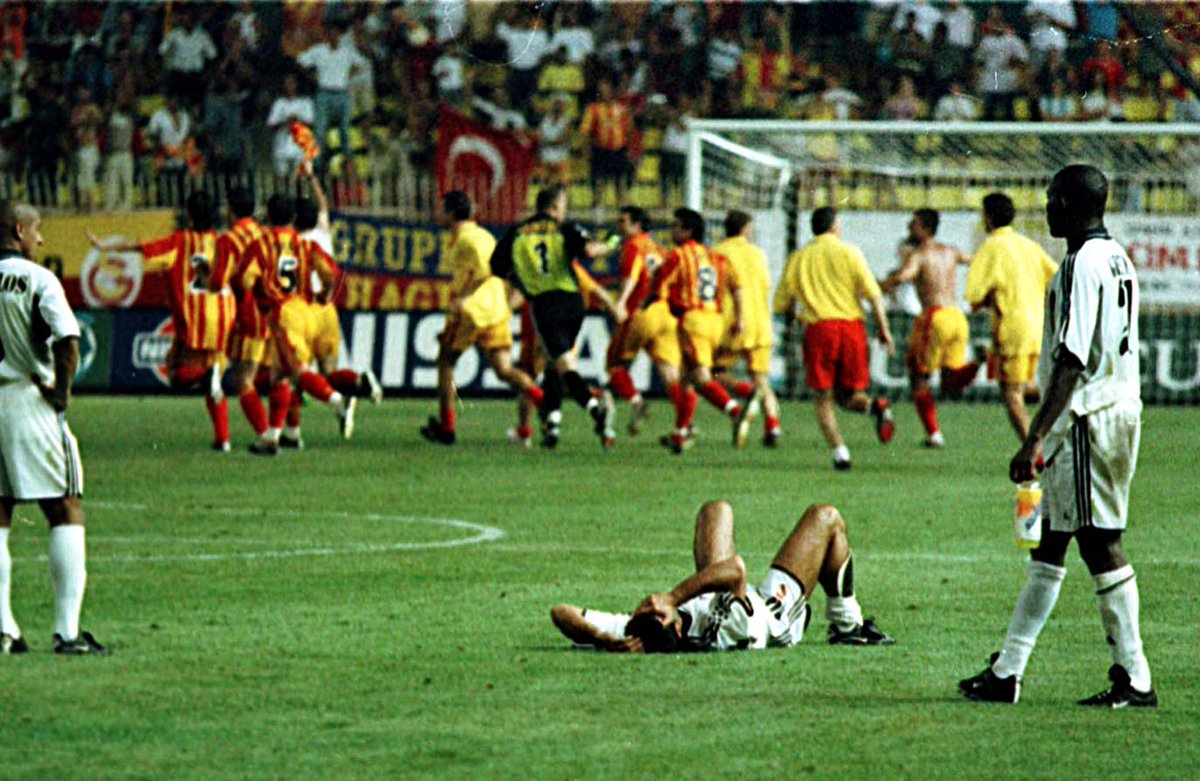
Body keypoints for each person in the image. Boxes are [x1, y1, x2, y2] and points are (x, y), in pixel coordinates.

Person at [960, 164, 1155, 708]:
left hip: (1091, 419)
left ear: (1068, 204)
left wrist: (1034, 438)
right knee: (1050, 542)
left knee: (1099, 541)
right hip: (1109, 412)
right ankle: (1008, 670)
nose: (1045, 206)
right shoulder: (1117, 258)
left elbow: (1071, 361)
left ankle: (1134, 675)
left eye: (1050, 197)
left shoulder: (1079, 264)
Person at [550, 500, 895, 653]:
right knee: (826, 517)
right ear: (679, 626)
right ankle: (847, 625)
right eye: (658, 611)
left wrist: (601, 638)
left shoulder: (637, 634)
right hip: (771, 615)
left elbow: (560, 613)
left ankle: (847, 624)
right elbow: (736, 570)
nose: (649, 605)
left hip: (725, 592)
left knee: (717, 510)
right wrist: (673, 598)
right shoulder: (728, 628)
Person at [0, 200, 108, 655]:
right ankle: (66, 632)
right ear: (20, 229)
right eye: (38, 230)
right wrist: (62, 392)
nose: (40, 239)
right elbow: (68, 339)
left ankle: (5, 630)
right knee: (65, 507)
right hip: (29, 401)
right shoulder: (38, 279)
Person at [86, 191, 236, 451]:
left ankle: (208, 378)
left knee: (178, 375)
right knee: (212, 385)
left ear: (189, 215)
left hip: (195, 318)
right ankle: (223, 439)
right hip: (223, 317)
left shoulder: (180, 242)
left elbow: (142, 248)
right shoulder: (224, 242)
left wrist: (105, 247)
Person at [489, 185, 616, 449]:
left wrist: (522, 283)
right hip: (573, 302)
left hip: (544, 305)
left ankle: (595, 409)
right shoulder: (564, 228)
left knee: (562, 366)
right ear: (556, 207)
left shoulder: (517, 233)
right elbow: (590, 252)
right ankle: (552, 426)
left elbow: (496, 265)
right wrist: (613, 243)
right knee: (554, 365)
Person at [773, 207, 895, 471]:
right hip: (852, 329)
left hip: (819, 330)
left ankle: (841, 452)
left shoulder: (799, 257)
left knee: (824, 398)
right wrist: (884, 329)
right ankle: (875, 406)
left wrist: (800, 314)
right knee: (849, 395)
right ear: (834, 226)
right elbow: (873, 294)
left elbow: (781, 303)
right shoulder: (849, 252)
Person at [420, 191, 544, 445]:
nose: (438, 212)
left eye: (442, 208)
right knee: (504, 370)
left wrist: (464, 297)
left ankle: (447, 427)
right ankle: (545, 402)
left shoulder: (469, 240)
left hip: (473, 313)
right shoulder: (481, 235)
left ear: (452, 212)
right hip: (495, 310)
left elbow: (486, 270)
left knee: (445, 361)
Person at [284, 162, 382, 448]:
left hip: (301, 309)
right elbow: (323, 204)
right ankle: (360, 381)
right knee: (328, 373)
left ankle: (293, 432)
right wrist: (311, 177)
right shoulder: (322, 234)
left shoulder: (292, 243)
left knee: (295, 374)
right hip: (327, 310)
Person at [652, 208, 753, 454]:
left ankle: (736, 411)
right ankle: (679, 435)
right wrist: (739, 318)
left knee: (700, 378)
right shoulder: (717, 257)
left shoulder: (678, 256)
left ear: (688, 231)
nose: (672, 230)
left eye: (676, 226)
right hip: (715, 321)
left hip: (693, 321)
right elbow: (737, 288)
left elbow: (659, 289)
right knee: (686, 381)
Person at [880, 209, 978, 448]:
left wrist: (883, 285)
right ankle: (977, 364)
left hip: (935, 318)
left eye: (913, 224)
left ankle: (934, 435)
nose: (908, 228)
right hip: (957, 316)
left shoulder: (920, 254)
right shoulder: (950, 251)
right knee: (949, 379)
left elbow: (905, 276)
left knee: (917, 376)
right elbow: (975, 261)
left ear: (924, 227)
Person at [966, 193, 1058, 441]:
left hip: (1012, 327)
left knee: (1011, 394)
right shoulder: (1029, 245)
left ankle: (1036, 455)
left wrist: (988, 298)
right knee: (1024, 388)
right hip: (1037, 326)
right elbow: (1057, 279)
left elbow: (974, 295)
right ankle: (1066, 405)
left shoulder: (991, 247)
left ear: (987, 216)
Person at [605, 205, 680, 436]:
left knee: (615, 366)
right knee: (669, 372)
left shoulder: (633, 245)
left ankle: (637, 402)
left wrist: (621, 302)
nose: (619, 226)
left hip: (641, 312)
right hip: (665, 314)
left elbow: (632, 274)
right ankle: (685, 421)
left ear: (637, 225)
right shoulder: (660, 249)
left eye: (623, 221)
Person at [713, 210, 783, 447]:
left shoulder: (718, 253)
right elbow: (765, 285)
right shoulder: (758, 254)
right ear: (746, 229)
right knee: (762, 378)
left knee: (712, 373)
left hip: (731, 324)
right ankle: (772, 425)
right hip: (760, 323)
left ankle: (745, 392)